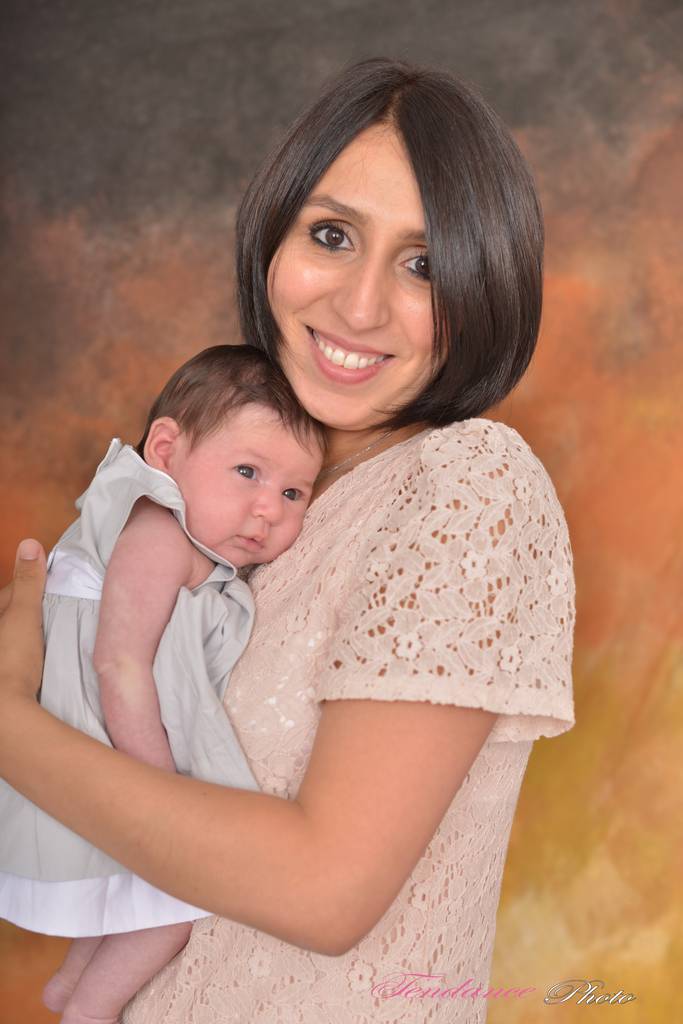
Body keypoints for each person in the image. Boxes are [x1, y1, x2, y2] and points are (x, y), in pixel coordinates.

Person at [0, 58, 575, 1024]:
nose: (359, 307)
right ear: (271, 234)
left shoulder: (467, 481)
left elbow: (324, 893)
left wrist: (12, 727)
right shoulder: (250, 497)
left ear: (486, 285)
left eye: (424, 265)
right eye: (331, 235)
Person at [0, 344, 325, 1024]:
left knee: (134, 898)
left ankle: (71, 986)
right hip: (106, 741)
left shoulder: (188, 541)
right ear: (167, 450)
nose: (267, 509)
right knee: (176, 906)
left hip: (103, 739)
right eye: (247, 472)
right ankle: (89, 1011)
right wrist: (160, 796)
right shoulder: (157, 530)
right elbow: (117, 663)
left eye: (293, 493)